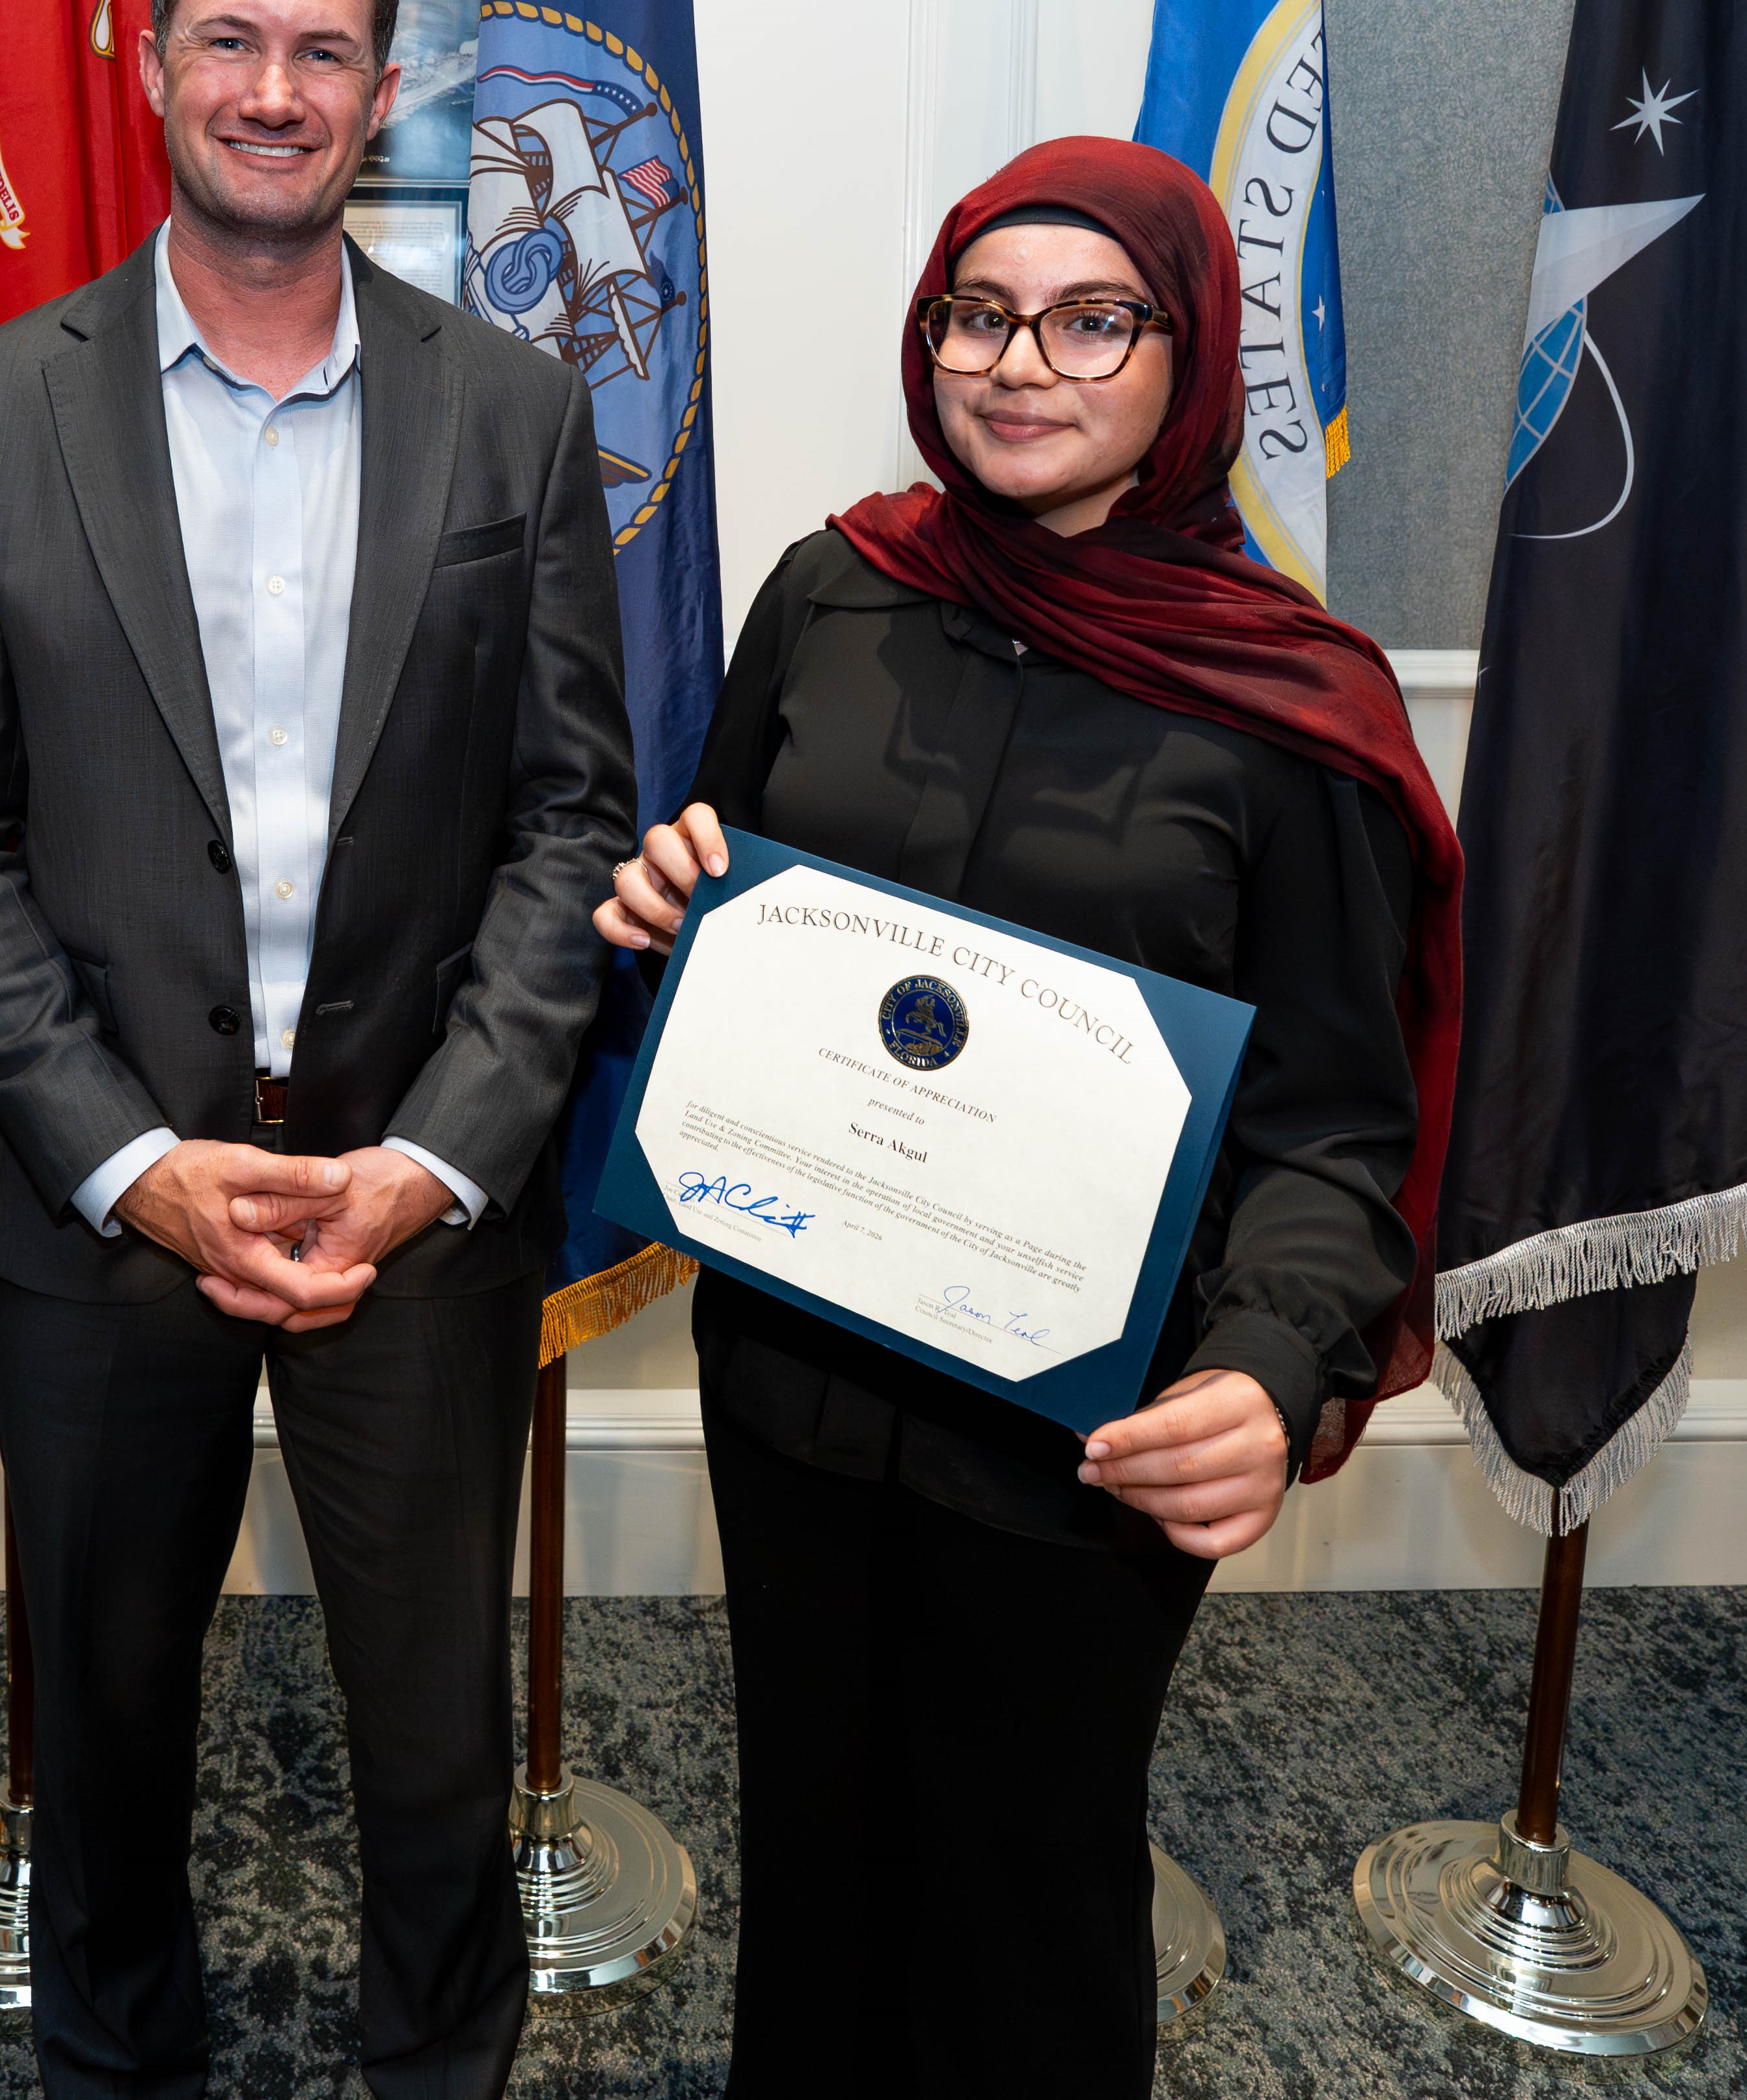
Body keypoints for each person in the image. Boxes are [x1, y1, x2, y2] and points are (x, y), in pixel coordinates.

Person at [592, 137, 1463, 2100]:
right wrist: (666, 910)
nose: (1018, 364)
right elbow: (731, 926)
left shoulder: (1285, 702)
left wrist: (1265, 1371)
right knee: (814, 1851)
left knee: (1028, 1888)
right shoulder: (834, 590)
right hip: (797, 1375)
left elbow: (1334, 1131)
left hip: (1088, 1436)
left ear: (1188, 354)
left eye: (1090, 322)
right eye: (978, 316)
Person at [0, 0, 635, 2100]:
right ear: (155, 69)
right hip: (105, 1209)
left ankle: (443, 2069)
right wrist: (128, 1158)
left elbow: (570, 821)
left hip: (417, 1208)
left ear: (383, 96)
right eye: (231, 39)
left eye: (322, 51)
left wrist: (436, 1157)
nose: (274, 89)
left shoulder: (512, 409)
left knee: (437, 1743)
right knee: (102, 1732)